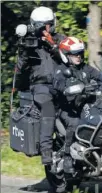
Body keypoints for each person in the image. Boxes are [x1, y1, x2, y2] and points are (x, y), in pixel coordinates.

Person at [15, 6, 66, 165]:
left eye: (49, 24)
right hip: (41, 87)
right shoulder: (30, 43)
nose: (47, 28)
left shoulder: (60, 39)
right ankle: (46, 152)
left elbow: (69, 58)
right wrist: (23, 51)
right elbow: (20, 70)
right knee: (48, 107)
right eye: (44, 26)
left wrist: (53, 45)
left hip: (63, 84)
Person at [53, 36, 102, 173]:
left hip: (86, 107)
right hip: (67, 109)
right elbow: (59, 84)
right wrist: (69, 88)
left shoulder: (86, 68)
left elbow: (100, 76)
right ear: (66, 55)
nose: (78, 56)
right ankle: (67, 156)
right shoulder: (61, 70)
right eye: (74, 54)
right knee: (75, 123)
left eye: (80, 53)